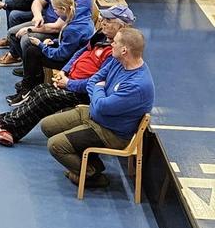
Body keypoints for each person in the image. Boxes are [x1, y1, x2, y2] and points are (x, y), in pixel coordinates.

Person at [0, 6, 134, 146]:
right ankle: (10, 130)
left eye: (108, 20)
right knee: (40, 90)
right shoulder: (101, 36)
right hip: (70, 79)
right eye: (103, 18)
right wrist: (64, 71)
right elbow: (80, 53)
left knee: (45, 97)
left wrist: (68, 83)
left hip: (83, 92)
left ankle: (3, 123)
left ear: (122, 27)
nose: (103, 22)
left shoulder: (116, 52)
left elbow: (97, 82)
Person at [40, 27, 154, 189]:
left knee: (55, 145)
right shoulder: (118, 61)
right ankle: (93, 164)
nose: (111, 44)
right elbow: (94, 80)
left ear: (124, 50)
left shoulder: (136, 85)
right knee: (47, 126)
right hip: (95, 114)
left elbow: (102, 105)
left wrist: (99, 89)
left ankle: (91, 174)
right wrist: (100, 90)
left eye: (115, 42)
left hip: (111, 131)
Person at [0, 0, 92, 67]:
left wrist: (29, 29)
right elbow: (38, 1)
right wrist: (37, 15)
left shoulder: (81, 0)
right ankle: (19, 58)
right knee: (12, 30)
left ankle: (30, 68)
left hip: (59, 32)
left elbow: (57, 27)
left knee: (26, 40)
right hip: (46, 20)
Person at [13, 0, 95, 101]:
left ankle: (27, 88)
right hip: (72, 52)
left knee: (32, 52)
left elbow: (60, 55)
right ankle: (31, 85)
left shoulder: (73, 29)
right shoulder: (79, 15)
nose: (55, 12)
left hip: (70, 62)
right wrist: (54, 42)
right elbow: (68, 42)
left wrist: (41, 45)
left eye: (55, 9)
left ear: (63, 9)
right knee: (33, 50)